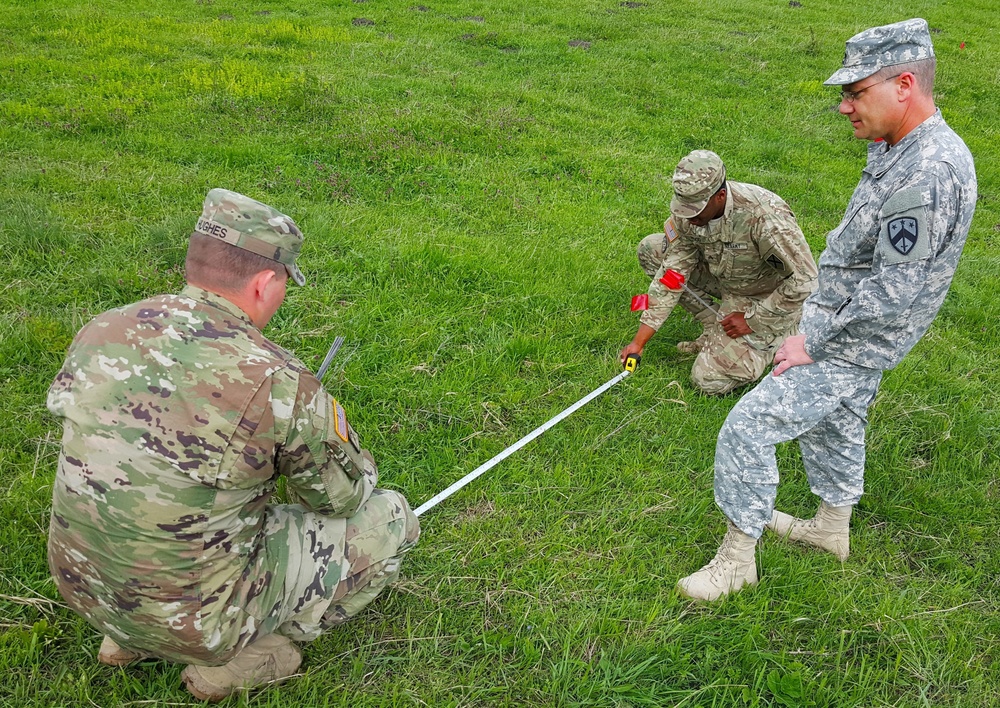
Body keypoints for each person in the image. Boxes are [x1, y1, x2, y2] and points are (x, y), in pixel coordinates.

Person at [46, 189, 420, 700]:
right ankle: (238, 656)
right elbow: (343, 498)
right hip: (198, 622)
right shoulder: (278, 381)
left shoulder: (102, 329)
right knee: (392, 519)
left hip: (79, 584)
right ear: (266, 283)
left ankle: (126, 635)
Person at [677, 18, 977, 601]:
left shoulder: (928, 171)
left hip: (853, 336)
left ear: (904, 85)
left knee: (746, 428)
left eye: (856, 91)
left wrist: (812, 341)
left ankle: (737, 560)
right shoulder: (900, 146)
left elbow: (893, 291)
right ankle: (830, 530)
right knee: (839, 420)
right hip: (851, 329)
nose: (844, 106)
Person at [620, 150, 817, 395]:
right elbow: (673, 274)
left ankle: (779, 336)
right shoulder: (688, 212)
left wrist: (751, 320)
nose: (688, 219)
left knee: (707, 380)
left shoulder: (765, 218)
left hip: (764, 298)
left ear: (720, 196)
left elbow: (804, 281)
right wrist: (639, 342)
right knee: (652, 250)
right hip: (726, 279)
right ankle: (713, 323)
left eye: (695, 212)